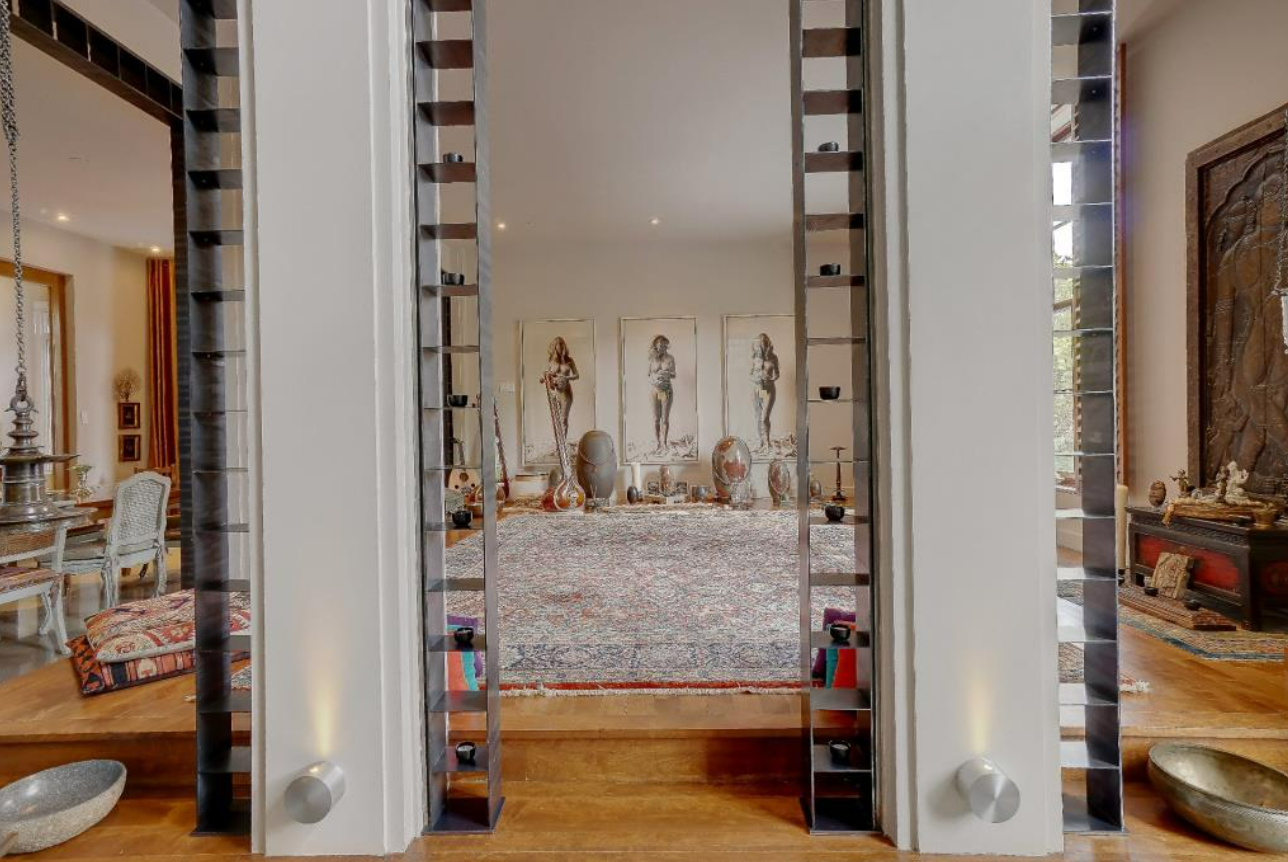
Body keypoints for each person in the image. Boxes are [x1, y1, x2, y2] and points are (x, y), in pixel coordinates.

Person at [541, 336, 579, 445]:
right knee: (556, 419)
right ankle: (558, 443)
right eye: (558, 345)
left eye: (562, 344)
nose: (560, 347)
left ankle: (563, 443)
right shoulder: (551, 361)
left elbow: (577, 375)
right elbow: (547, 375)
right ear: (554, 347)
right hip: (555, 392)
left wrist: (566, 377)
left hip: (566, 393)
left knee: (563, 419)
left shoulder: (569, 360)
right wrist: (544, 378)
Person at [749, 333, 780, 452]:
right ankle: (761, 442)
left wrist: (770, 379)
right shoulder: (755, 358)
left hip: (769, 389)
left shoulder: (773, 358)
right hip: (759, 389)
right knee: (758, 416)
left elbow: (777, 374)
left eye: (762, 344)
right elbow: (750, 375)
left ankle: (767, 442)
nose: (760, 346)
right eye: (758, 344)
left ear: (766, 344)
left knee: (765, 417)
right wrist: (756, 378)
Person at [647, 334, 676, 455]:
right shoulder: (652, 359)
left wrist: (666, 373)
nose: (661, 347)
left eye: (664, 345)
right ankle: (658, 443)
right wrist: (654, 379)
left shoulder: (670, 358)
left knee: (664, 418)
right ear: (656, 345)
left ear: (666, 346)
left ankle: (664, 443)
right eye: (659, 345)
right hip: (655, 390)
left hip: (665, 390)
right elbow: (648, 374)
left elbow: (674, 374)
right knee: (655, 419)